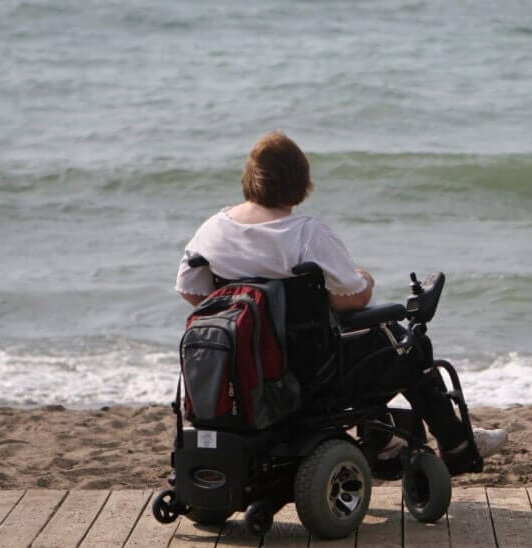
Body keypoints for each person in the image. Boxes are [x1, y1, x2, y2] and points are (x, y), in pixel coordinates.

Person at [174, 131, 507, 474]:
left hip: (243, 371)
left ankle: (385, 443)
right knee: (404, 341)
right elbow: (354, 298)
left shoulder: (213, 230)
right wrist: (365, 279)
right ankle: (458, 446)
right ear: (300, 183)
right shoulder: (305, 234)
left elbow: (192, 293)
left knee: (367, 335)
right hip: (310, 378)